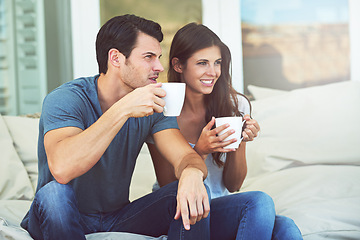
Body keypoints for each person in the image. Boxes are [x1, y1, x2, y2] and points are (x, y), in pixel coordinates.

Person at [20, 15, 211, 240]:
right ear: (116, 58)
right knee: (53, 194)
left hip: (116, 217)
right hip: (59, 214)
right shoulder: (66, 98)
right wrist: (122, 109)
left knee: (192, 191)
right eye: (148, 57)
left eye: (158, 57)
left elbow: (185, 157)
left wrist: (191, 172)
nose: (159, 66)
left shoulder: (155, 104)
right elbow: (62, 169)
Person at [147, 22, 303, 240]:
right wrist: (199, 151)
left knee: (286, 227)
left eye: (217, 63)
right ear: (178, 65)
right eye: (202, 63)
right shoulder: (163, 109)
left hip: (220, 207)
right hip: (180, 209)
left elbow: (234, 184)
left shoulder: (235, 105)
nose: (213, 72)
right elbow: (167, 186)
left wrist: (241, 140)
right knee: (259, 202)